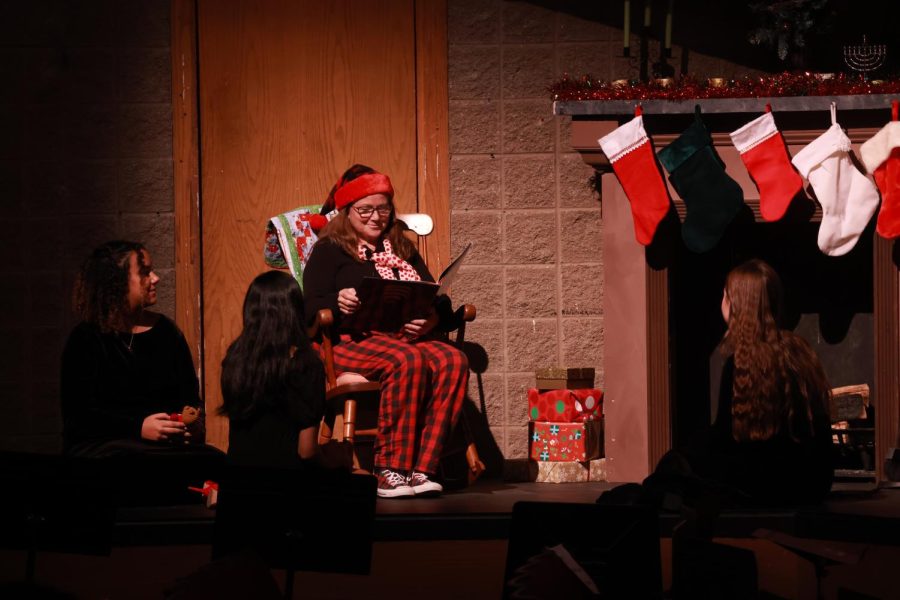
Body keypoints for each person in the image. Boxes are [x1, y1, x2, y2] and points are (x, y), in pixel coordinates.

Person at [302, 164, 468, 498]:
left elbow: (434, 295)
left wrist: (433, 318)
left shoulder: (402, 248)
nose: (376, 217)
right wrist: (337, 302)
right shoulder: (330, 250)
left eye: (383, 208)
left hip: (401, 338)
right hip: (350, 342)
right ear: (348, 212)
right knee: (406, 359)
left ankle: (423, 469)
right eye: (365, 209)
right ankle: (389, 469)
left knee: (453, 359)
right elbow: (307, 307)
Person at [61, 240, 222, 502]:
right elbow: (79, 416)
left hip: (164, 451)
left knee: (216, 462)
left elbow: (190, 399)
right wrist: (138, 427)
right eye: (145, 272)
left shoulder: (167, 332)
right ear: (118, 283)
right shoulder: (86, 339)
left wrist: (191, 425)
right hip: (111, 450)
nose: (155, 278)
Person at [220, 270, 332, 469]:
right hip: (285, 489)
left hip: (238, 486)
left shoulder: (234, 359)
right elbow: (306, 452)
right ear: (295, 311)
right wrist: (336, 459)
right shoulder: (306, 364)